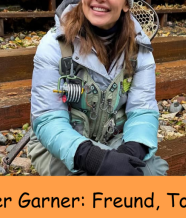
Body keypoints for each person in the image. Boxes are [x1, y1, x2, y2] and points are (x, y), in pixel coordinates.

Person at [27, 0, 169, 176]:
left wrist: (131, 151)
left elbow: (143, 109)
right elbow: (48, 118)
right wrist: (92, 157)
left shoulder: (140, 46)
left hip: (114, 138)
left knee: (152, 171)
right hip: (59, 145)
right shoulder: (54, 44)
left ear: (126, 5)